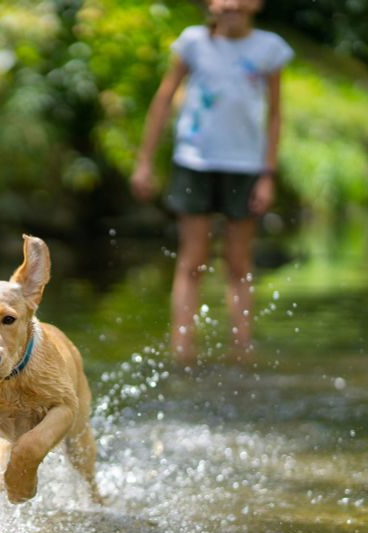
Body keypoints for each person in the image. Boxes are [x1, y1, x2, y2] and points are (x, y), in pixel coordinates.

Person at [130, 0, 293, 365]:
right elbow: (163, 100)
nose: (231, 4)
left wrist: (267, 175)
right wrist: (144, 161)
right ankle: (182, 351)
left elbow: (276, 116)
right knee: (192, 260)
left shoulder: (270, 48)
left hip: (245, 166)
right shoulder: (193, 43)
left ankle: (242, 350)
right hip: (195, 162)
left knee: (238, 262)